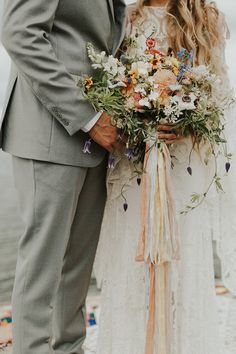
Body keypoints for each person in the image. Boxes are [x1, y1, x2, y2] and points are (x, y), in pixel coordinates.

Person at [94, 0, 230, 353]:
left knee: (182, 263)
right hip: (133, 165)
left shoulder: (206, 19)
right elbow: (113, 85)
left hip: (183, 169)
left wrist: (186, 121)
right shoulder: (126, 18)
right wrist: (134, 112)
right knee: (131, 263)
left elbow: (220, 95)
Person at [0, 1, 126, 353]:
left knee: (77, 265)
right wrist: (88, 117)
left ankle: (71, 347)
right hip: (51, 129)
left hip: (97, 138)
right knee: (42, 264)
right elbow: (19, 34)